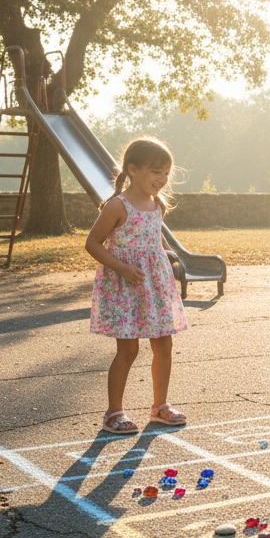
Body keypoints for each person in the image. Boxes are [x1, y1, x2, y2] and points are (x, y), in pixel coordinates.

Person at [85, 136, 189, 433]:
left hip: (154, 285)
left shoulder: (157, 204)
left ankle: (160, 407)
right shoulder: (118, 206)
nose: (163, 178)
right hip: (125, 286)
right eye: (156, 171)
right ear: (133, 169)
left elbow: (154, 238)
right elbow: (93, 243)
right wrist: (123, 268)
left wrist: (165, 256)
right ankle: (113, 413)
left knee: (163, 344)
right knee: (128, 351)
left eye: (166, 172)